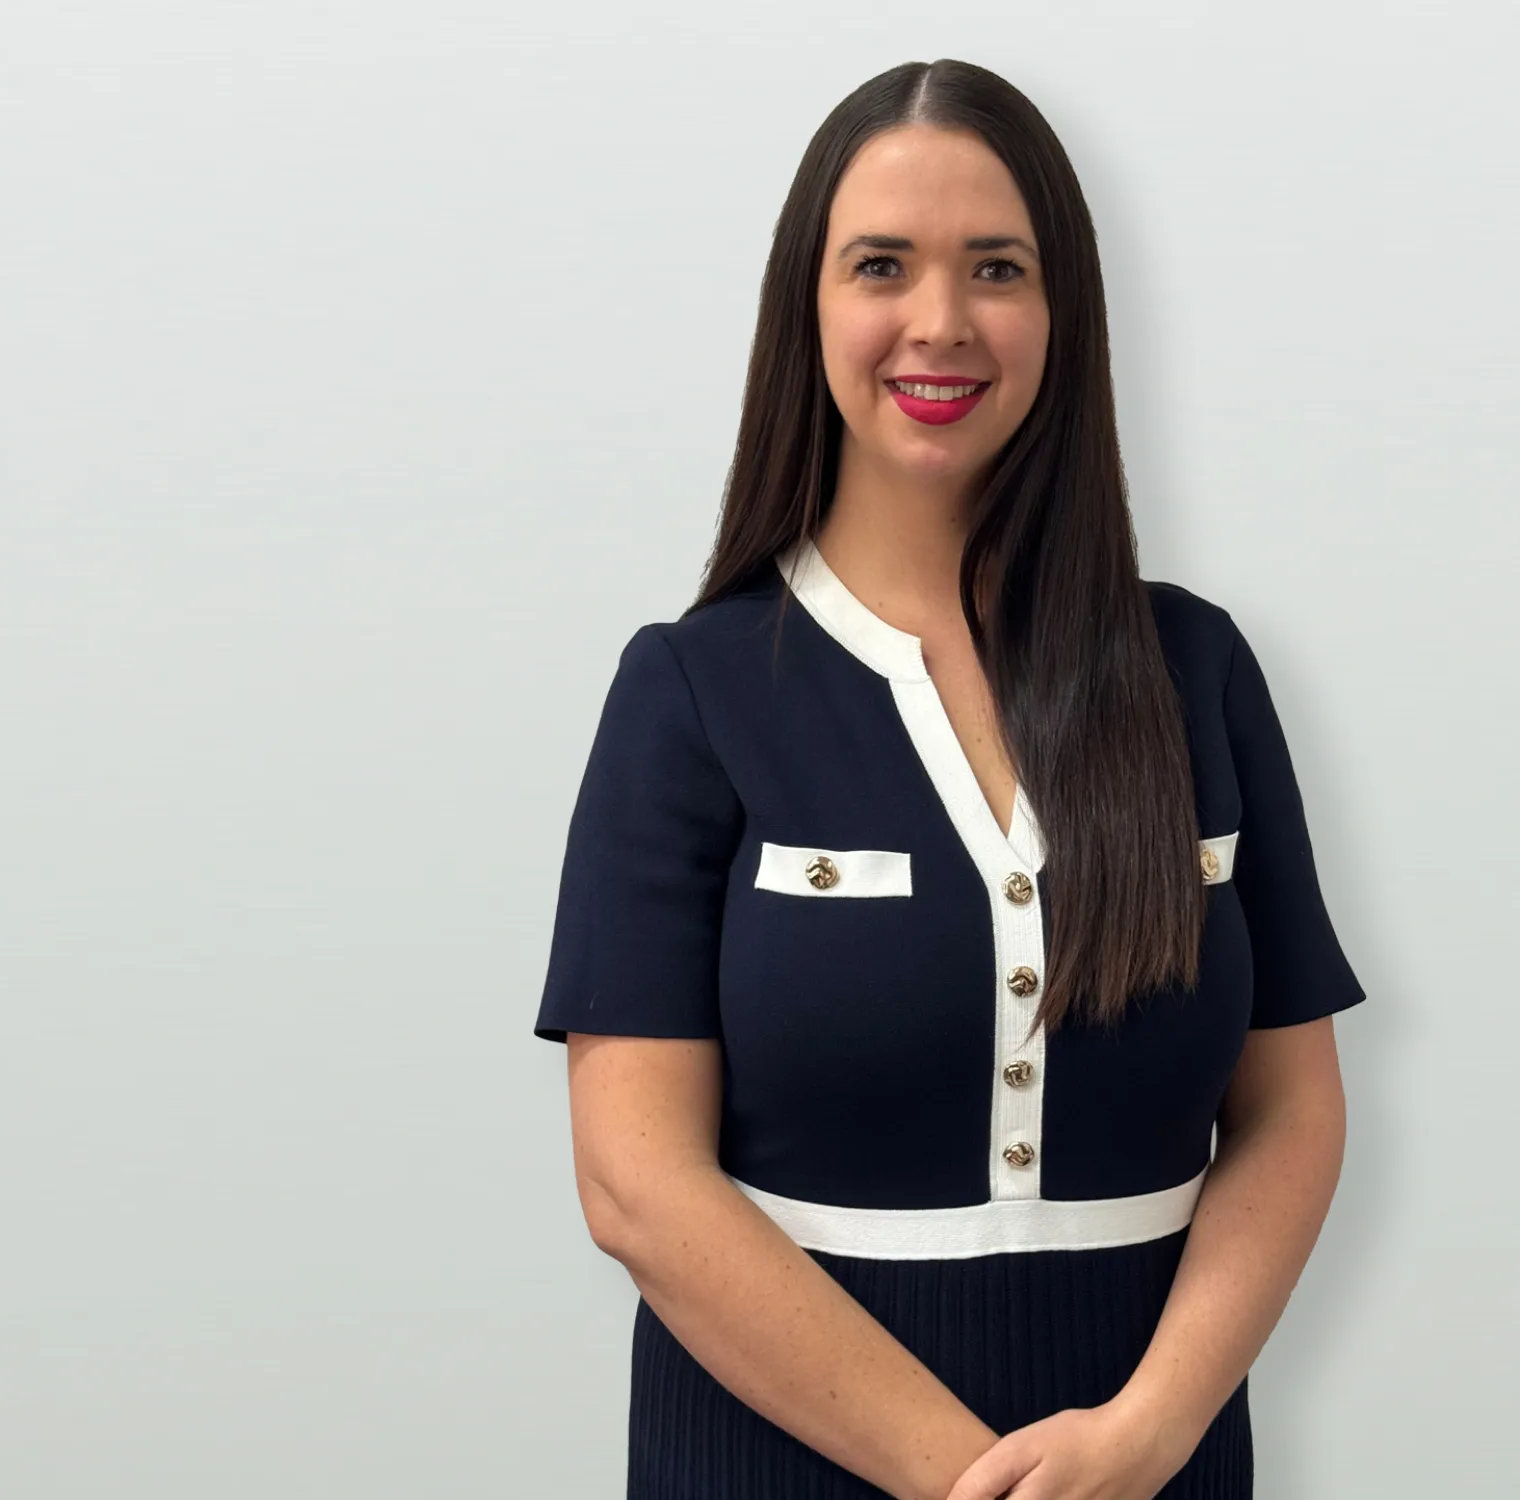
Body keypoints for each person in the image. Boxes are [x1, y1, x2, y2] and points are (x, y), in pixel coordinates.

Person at [532, 56, 1367, 1500]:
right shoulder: (692, 692)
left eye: (997, 267)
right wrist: (970, 1480)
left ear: (1064, 309)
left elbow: (1292, 1113)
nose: (941, 321)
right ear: (807, 306)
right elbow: (635, 1186)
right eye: (882, 265)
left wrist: (1150, 1432)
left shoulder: (1199, 673)